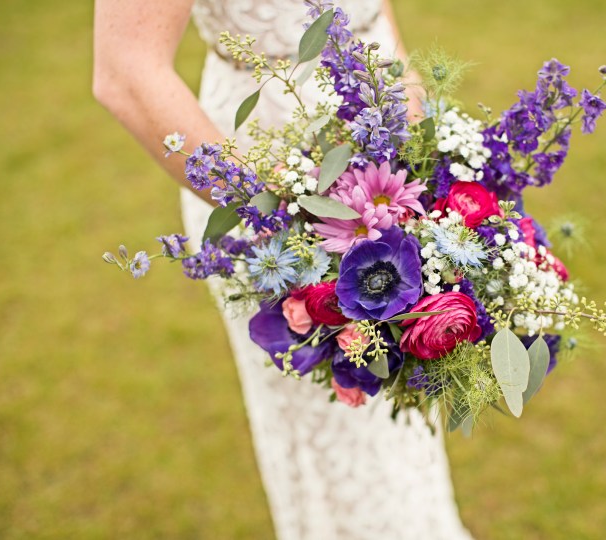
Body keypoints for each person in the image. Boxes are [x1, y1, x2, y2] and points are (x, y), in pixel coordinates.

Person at [93, 1, 474, 538]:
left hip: (386, 137)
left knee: (400, 421)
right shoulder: (278, 206)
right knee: (334, 427)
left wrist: (421, 144)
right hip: (270, 180)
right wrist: (280, 208)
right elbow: (125, 72)